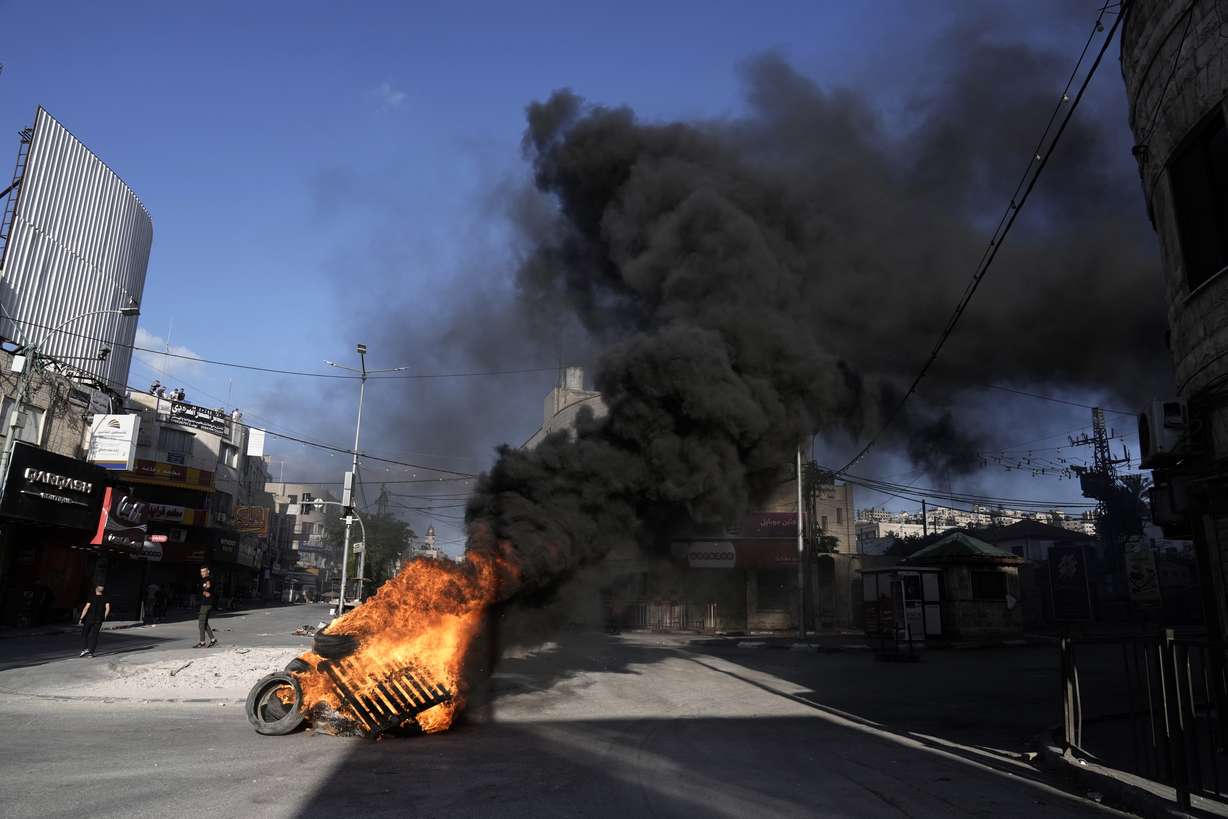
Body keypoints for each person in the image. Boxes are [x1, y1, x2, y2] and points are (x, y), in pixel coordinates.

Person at [78, 585, 110, 657]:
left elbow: (86, 608)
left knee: (84, 634)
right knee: (94, 636)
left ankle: (85, 649)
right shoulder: (106, 598)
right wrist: (104, 617)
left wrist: (81, 618)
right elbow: (108, 608)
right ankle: (91, 653)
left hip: (89, 619)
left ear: (96, 589)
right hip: (99, 620)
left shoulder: (91, 597)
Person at [195, 566, 217, 648]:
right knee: (205, 623)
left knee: (201, 623)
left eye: (204, 571)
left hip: (206, 604)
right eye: (201, 572)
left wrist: (205, 591)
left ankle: (202, 642)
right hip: (208, 603)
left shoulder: (207, 579)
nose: (202, 573)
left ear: (208, 571)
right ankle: (213, 640)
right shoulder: (209, 579)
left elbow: (208, 585)